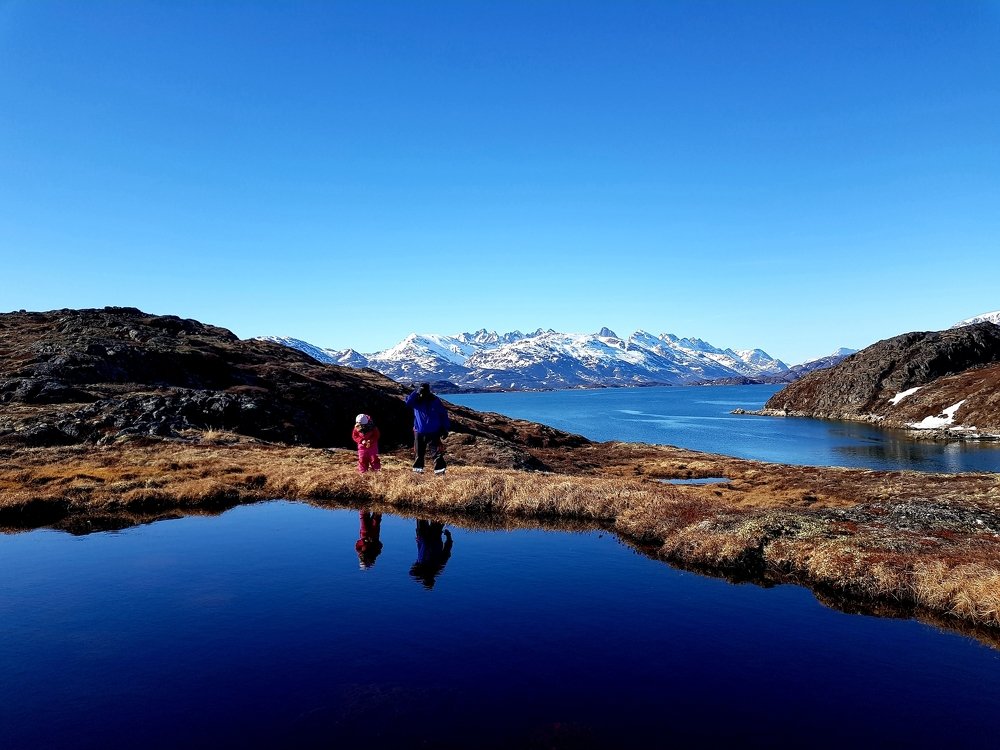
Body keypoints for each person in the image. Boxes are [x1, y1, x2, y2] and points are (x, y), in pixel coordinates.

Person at [404, 382, 449, 475]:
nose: (423, 393)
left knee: (436, 453)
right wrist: (416, 393)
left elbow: (443, 414)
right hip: (419, 431)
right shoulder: (416, 400)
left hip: (434, 431)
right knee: (419, 453)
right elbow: (408, 403)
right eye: (422, 391)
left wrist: (445, 428)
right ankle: (417, 472)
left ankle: (440, 473)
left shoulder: (435, 400)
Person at [409, 519, 453, 589]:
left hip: (425, 536)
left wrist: (448, 537)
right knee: (437, 516)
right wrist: (448, 536)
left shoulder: (421, 568)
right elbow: (447, 551)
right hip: (433, 536)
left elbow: (411, 572)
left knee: (422, 515)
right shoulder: (437, 566)